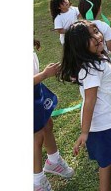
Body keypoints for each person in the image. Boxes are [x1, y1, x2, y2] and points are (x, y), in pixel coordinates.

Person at [59, 21, 111, 191]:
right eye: (90, 36)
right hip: (105, 123)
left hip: (100, 124)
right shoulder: (92, 68)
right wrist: (84, 132)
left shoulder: (97, 60)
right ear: (79, 45)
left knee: (106, 161)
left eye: (96, 31)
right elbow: (89, 100)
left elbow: (99, 79)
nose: (97, 36)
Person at [34, 40, 74, 191]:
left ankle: (53, 161)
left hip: (36, 90)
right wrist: (44, 75)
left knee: (47, 124)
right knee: (36, 138)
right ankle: (37, 182)